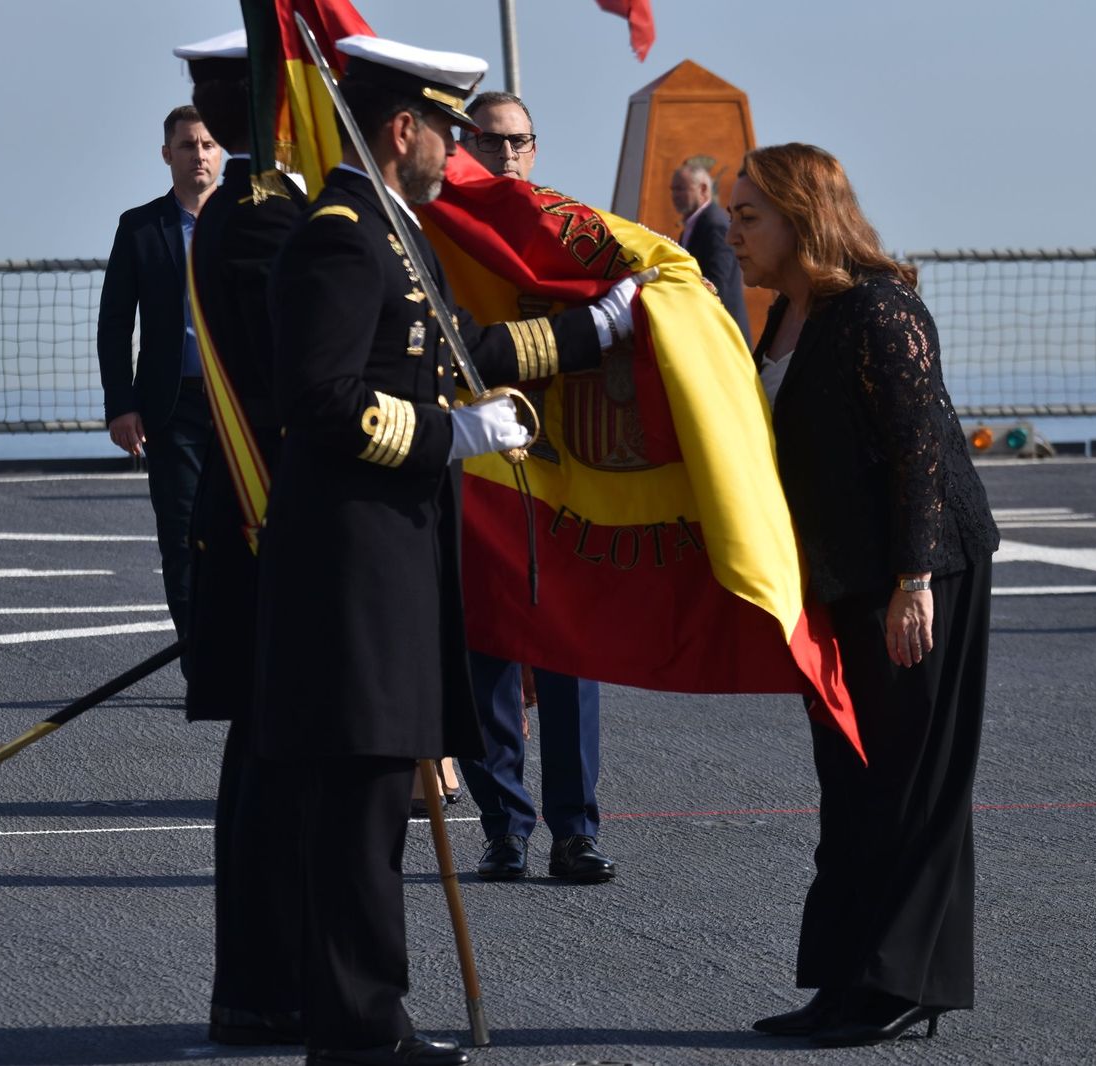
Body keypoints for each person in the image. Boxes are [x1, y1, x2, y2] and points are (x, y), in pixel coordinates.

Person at [254, 35, 643, 1065]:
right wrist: (449, 436)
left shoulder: (393, 232)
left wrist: (591, 332)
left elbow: (460, 348)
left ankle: (366, 1017)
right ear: (401, 130)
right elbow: (322, 400)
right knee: (357, 810)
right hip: (352, 573)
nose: (456, 152)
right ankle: (358, 1029)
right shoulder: (342, 237)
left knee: (376, 801)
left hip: (389, 562)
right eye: (446, 132)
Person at [728, 143, 999, 1047]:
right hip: (843, 578)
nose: (734, 230)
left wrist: (912, 582)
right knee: (848, 779)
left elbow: (920, 448)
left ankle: (897, 985)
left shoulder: (880, 310)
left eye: (749, 215)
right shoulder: (783, 316)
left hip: (920, 576)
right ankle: (844, 978)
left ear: (801, 220)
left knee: (910, 781)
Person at [173, 30, 307, 1047]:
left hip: (268, 532)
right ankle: (271, 987)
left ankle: (265, 985)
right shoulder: (269, 216)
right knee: (285, 775)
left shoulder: (250, 207)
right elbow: (298, 388)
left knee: (272, 770)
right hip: (286, 533)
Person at [456, 89, 614, 885]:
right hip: (475, 467)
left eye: (519, 142)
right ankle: (504, 827)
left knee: (568, 657)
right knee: (484, 658)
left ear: (537, 148)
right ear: (465, 145)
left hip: (562, 471)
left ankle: (575, 831)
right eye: (492, 142)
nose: (508, 156)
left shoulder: (573, 232)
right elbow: (461, 347)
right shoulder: (439, 237)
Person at [96, 103, 220, 659]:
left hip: (246, 408)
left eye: (208, 144)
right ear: (167, 154)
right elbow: (115, 322)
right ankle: (201, 660)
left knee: (260, 534)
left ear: (221, 153)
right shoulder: (140, 228)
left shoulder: (252, 224)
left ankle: (255, 665)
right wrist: (121, 405)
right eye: (188, 145)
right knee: (182, 537)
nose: (199, 154)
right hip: (175, 410)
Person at [671, 156, 751, 343]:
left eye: (680, 189)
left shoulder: (715, 225)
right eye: (672, 189)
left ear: (704, 189)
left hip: (723, 338)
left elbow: (717, 286)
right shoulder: (690, 227)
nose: (674, 195)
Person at [457, 90, 538, 181]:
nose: (507, 154)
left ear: (533, 154)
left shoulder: (549, 195)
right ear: (462, 151)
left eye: (518, 141)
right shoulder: (441, 195)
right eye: (490, 141)